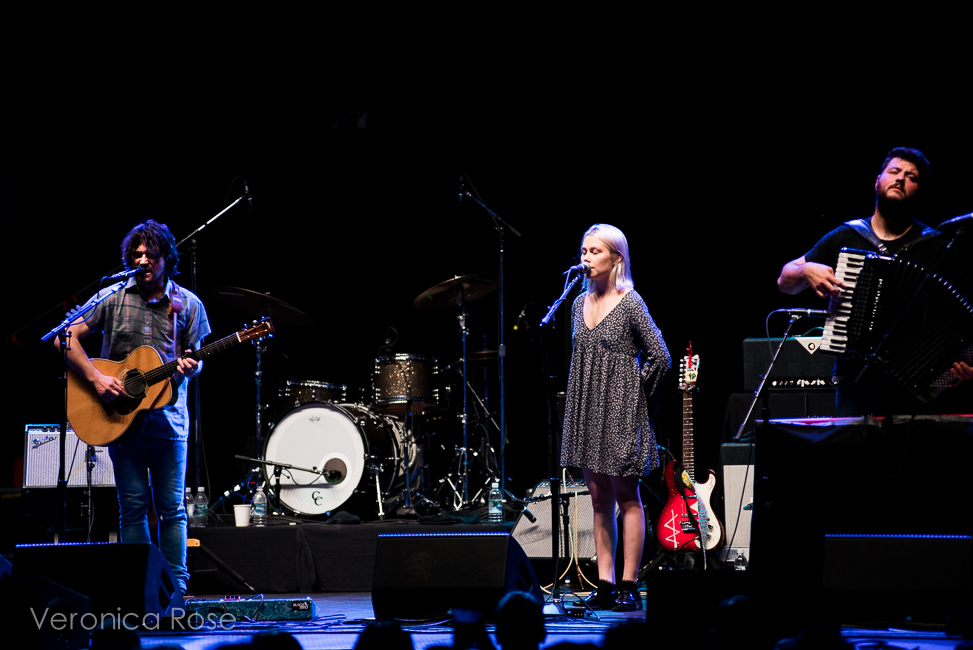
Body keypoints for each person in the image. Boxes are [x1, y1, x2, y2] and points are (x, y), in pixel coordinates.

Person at [55, 220, 211, 597]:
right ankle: (138, 586)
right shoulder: (112, 298)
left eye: (150, 254)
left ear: (165, 259)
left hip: (169, 421)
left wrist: (193, 364)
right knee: (133, 507)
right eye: (136, 254)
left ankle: (176, 589)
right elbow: (65, 337)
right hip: (119, 419)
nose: (142, 260)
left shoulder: (187, 304)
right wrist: (95, 379)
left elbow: (197, 356)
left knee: (171, 509)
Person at [778, 146, 972, 415]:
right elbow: (784, 281)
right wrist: (806, 269)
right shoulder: (847, 236)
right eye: (894, 171)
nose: (901, 178)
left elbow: (966, 318)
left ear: (919, 191)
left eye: (912, 177)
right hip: (855, 383)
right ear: (877, 181)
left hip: (916, 385)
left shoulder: (937, 248)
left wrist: (966, 362)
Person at [559, 223, 671, 611]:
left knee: (626, 496)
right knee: (597, 497)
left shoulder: (630, 301)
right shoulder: (576, 304)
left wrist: (639, 399)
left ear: (615, 258)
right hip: (588, 409)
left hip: (623, 410)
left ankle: (628, 583)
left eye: (595, 252)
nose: (586, 258)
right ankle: (604, 584)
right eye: (583, 251)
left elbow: (661, 355)